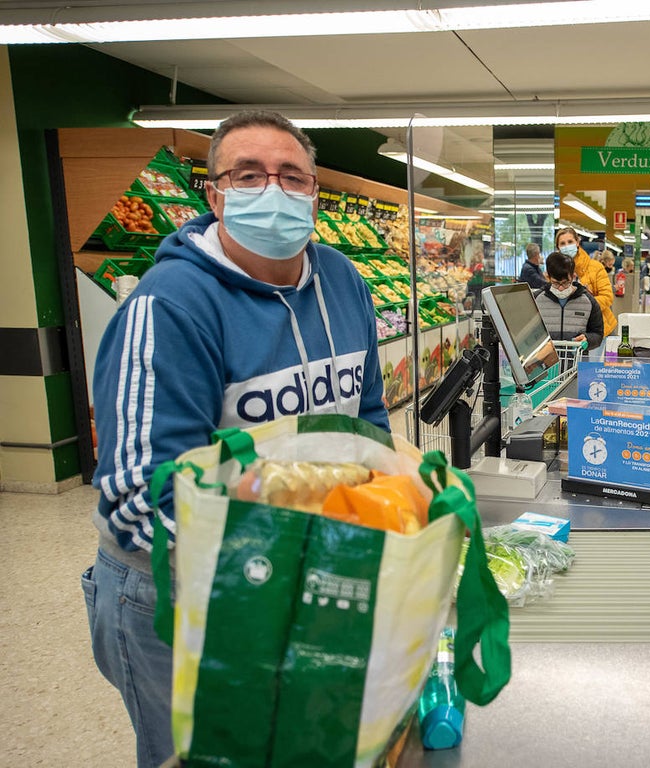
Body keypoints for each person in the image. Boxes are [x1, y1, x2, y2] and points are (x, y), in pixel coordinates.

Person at [84, 110, 392, 767]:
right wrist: (268, 576)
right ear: (215, 193)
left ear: (315, 193)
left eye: (291, 177)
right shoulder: (169, 307)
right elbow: (142, 498)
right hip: (179, 592)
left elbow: (369, 426)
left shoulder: (344, 282)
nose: (273, 191)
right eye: (248, 175)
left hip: (301, 571)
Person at [556, 227, 616, 352]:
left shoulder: (595, 267)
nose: (567, 246)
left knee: (594, 370)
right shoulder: (556, 272)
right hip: (570, 333)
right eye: (562, 243)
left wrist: (582, 304)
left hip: (598, 332)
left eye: (570, 242)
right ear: (558, 247)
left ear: (577, 242)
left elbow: (607, 297)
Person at [533, 251, 604, 349]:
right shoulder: (535, 300)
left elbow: (598, 334)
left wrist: (587, 339)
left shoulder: (588, 301)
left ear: (573, 276)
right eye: (556, 283)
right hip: (545, 362)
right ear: (548, 277)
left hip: (577, 361)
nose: (561, 288)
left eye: (566, 283)